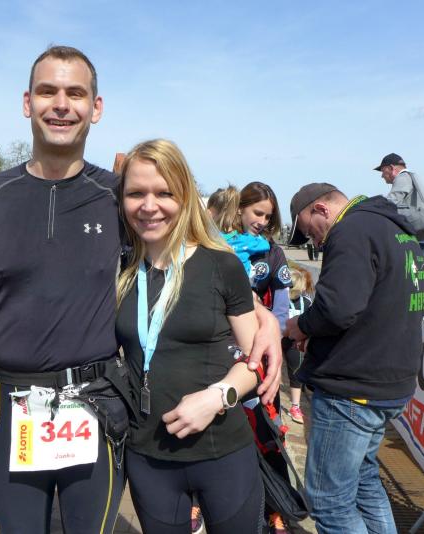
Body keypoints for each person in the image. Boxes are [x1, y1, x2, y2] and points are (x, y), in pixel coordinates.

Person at [0, 44, 284, 534]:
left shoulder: (117, 197)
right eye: (47, 91)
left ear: (95, 107)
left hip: (94, 402)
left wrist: (263, 319)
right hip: (12, 403)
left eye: (75, 93)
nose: (61, 104)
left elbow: (192, 252)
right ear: (27, 102)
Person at [117, 139, 264, 533]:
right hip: (148, 456)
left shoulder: (221, 265)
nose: (149, 205)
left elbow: (256, 361)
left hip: (222, 452)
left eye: (164, 193)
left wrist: (218, 397)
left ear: (184, 197)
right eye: (136, 193)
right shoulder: (122, 271)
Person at [285, 183, 424, 533]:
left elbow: (337, 309)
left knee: (329, 501)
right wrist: (318, 335)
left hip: (353, 388)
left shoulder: (351, 231)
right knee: (364, 482)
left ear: (321, 209)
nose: (315, 242)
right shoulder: (392, 228)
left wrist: (301, 326)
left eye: (310, 231)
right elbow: (374, 305)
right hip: (389, 381)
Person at [236, 181, 292, 533]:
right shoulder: (217, 245)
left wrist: (272, 341)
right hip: (221, 356)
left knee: (267, 432)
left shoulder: (273, 252)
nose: (262, 221)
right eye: (257, 213)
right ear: (240, 208)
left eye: (269, 217)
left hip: (261, 358)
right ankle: (200, 501)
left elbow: (282, 307)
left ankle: (277, 506)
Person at [375, 153, 424, 275]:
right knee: (415, 277)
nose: (382, 175)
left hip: (423, 238)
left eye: (383, 171)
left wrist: (372, 209)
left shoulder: (403, 177)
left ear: (391, 168)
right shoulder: (413, 176)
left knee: (406, 276)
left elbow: (391, 201)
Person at [286, 267, 314, 424]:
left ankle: (295, 406)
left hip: (294, 342)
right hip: (278, 338)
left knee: (295, 372)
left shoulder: (307, 302)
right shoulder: (279, 298)